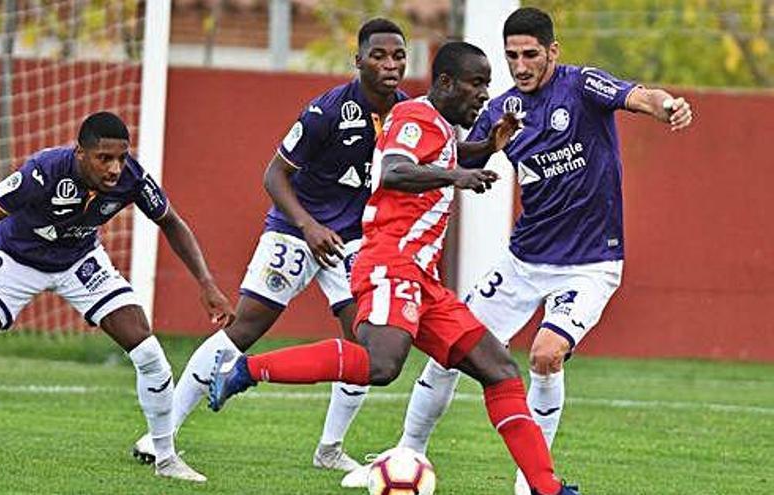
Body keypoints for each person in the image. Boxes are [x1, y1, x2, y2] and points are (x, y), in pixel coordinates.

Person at [346, 7, 695, 495]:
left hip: (590, 265)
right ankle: (406, 453)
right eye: (512, 56)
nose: (521, 66)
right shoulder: (502, 109)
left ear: (553, 51)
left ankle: (532, 483)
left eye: (531, 54)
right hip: (522, 262)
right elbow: (451, 153)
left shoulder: (581, 86)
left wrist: (667, 105)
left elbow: (638, 95)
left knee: (546, 355)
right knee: (448, 355)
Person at [208, 41, 580, 495]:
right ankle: (248, 369)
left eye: (487, 84)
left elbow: (445, 156)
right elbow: (394, 171)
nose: (485, 94)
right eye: (476, 83)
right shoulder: (414, 116)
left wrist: (488, 145)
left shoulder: (438, 126)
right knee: (382, 364)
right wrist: (457, 177)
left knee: (499, 370)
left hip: (423, 280)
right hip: (390, 263)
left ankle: (546, 488)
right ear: (446, 83)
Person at [129, 18, 411, 474]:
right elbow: (273, 175)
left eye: (398, 56)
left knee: (364, 343)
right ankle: (161, 434)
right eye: (379, 55)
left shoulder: (408, 114)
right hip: (296, 231)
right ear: (358, 60)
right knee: (243, 329)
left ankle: (329, 450)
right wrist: (308, 226)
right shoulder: (326, 112)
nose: (390, 64)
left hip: (353, 242)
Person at [0, 112, 235, 482]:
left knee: (149, 352)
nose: (115, 168)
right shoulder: (42, 172)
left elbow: (172, 222)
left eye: (121, 157)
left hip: (79, 262)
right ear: (80, 153)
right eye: (104, 158)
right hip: (16, 260)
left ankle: (165, 459)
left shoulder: (132, 178)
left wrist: (206, 283)